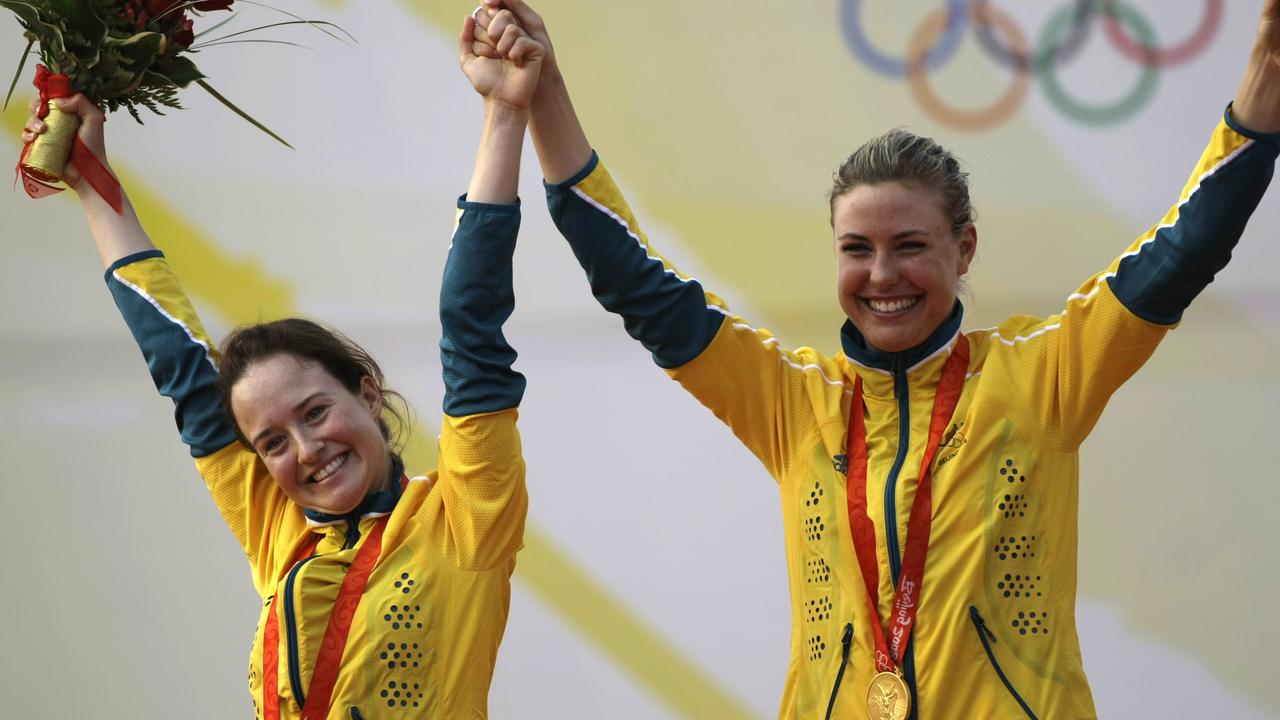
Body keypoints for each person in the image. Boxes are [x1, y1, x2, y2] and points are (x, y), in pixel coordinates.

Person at [470, 1, 1280, 718]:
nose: (882, 276)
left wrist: (1262, 86)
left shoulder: (1041, 377)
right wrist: (542, 96)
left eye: (910, 247)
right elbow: (635, 284)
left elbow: (1180, 254)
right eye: (857, 249)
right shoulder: (791, 400)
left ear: (964, 250)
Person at [20, 15, 547, 719]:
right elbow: (177, 361)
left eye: (315, 411)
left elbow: (471, 322)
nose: (306, 451)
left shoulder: (465, 516)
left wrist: (505, 113)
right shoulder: (280, 529)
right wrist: (91, 183)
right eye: (271, 442)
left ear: (367, 394)